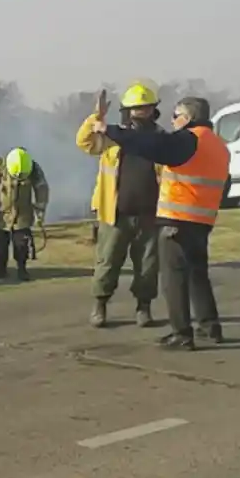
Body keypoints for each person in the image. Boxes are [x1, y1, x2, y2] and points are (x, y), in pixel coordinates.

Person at [90, 97, 229, 351]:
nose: (172, 120)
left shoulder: (188, 140)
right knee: (198, 275)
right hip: (202, 220)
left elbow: (151, 143)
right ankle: (210, 327)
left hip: (178, 219)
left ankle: (181, 333)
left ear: (187, 118)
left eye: (176, 115)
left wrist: (109, 130)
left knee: (173, 278)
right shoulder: (219, 145)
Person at [76, 83, 165, 328]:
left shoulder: (160, 139)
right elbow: (84, 142)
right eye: (136, 109)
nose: (140, 114)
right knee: (108, 262)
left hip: (150, 215)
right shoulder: (112, 138)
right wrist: (97, 117)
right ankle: (100, 305)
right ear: (126, 112)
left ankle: (143, 308)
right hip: (115, 214)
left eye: (145, 109)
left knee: (148, 266)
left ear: (153, 110)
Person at [0, 147, 49, 281]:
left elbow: (41, 187)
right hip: (1, 214)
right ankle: (1, 269)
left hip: (23, 214)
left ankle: (22, 270)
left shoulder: (33, 167)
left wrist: (40, 209)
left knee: (21, 245)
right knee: (0, 244)